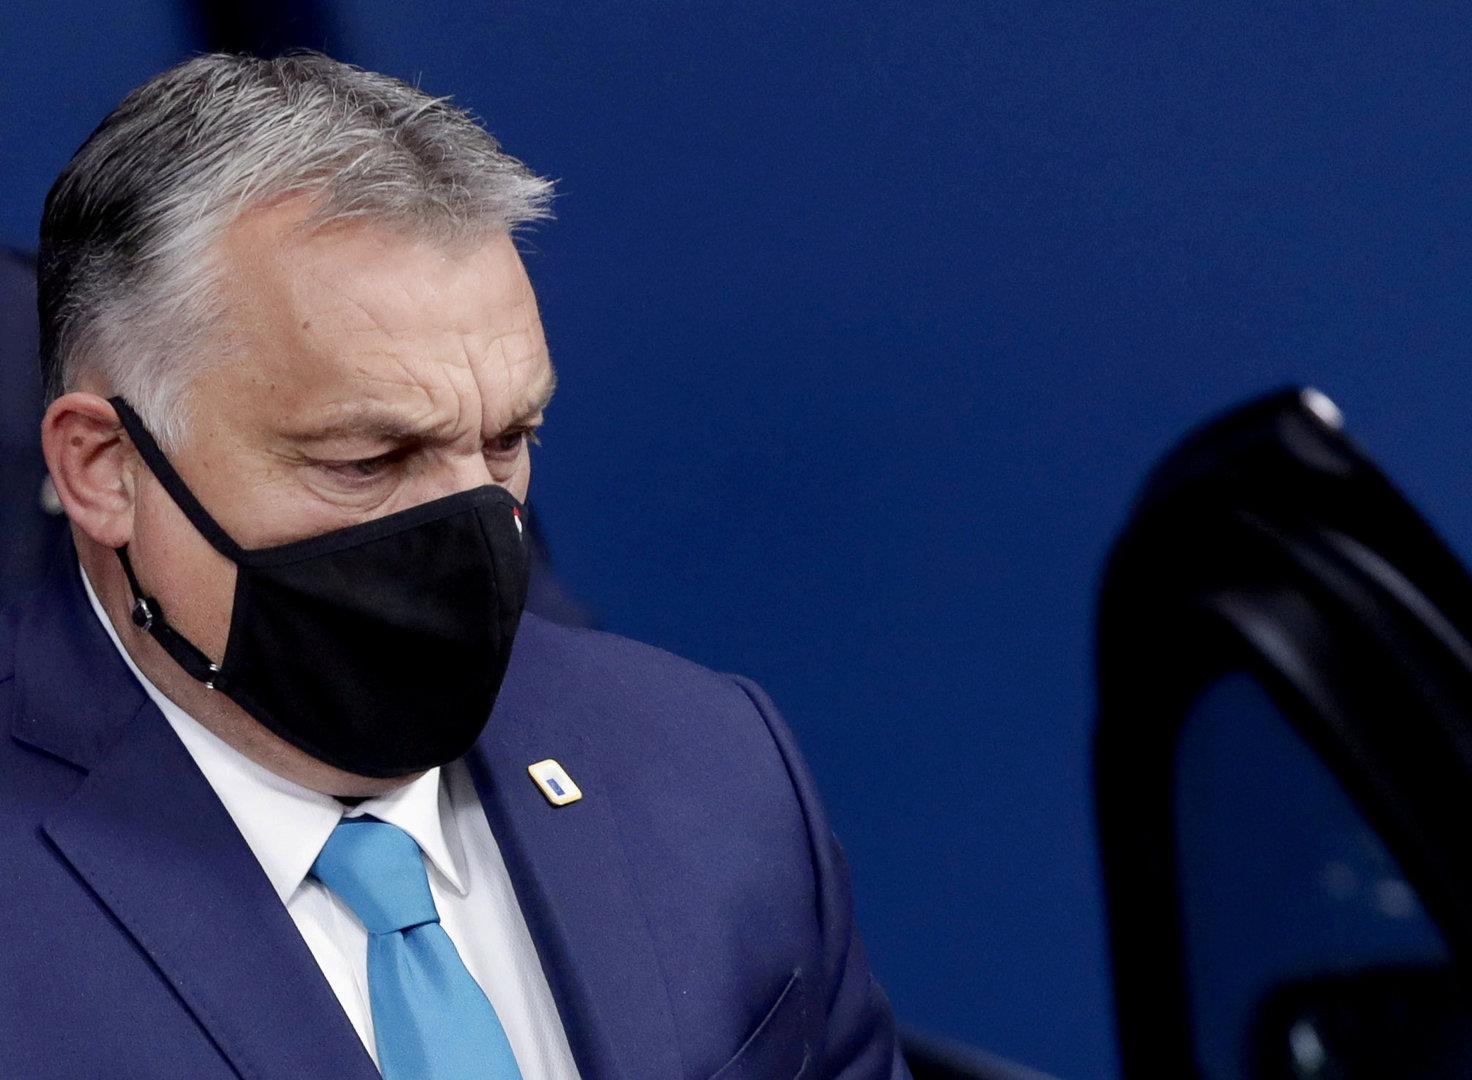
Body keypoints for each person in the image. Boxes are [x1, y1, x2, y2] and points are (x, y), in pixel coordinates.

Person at [1, 52, 908, 1079]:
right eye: (366, 460)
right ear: (106, 469)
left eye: (505, 441)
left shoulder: (713, 768)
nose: (470, 531)